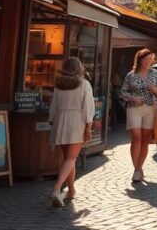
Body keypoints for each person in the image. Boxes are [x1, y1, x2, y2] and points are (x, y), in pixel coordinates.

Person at [48, 57, 94, 207]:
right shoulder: (84, 84)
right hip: (77, 122)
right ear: (79, 68)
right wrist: (88, 126)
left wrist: (53, 120)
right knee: (71, 158)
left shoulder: (58, 85)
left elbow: (53, 106)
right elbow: (88, 107)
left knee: (69, 159)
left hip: (60, 122)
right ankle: (56, 189)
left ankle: (72, 190)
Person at [122, 48, 157, 183]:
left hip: (150, 109)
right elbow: (123, 92)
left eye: (151, 60)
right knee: (136, 138)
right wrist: (132, 98)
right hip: (134, 108)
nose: (149, 62)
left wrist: (155, 90)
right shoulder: (131, 75)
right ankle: (137, 170)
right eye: (146, 60)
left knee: (145, 140)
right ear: (140, 60)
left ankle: (138, 168)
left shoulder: (156, 74)